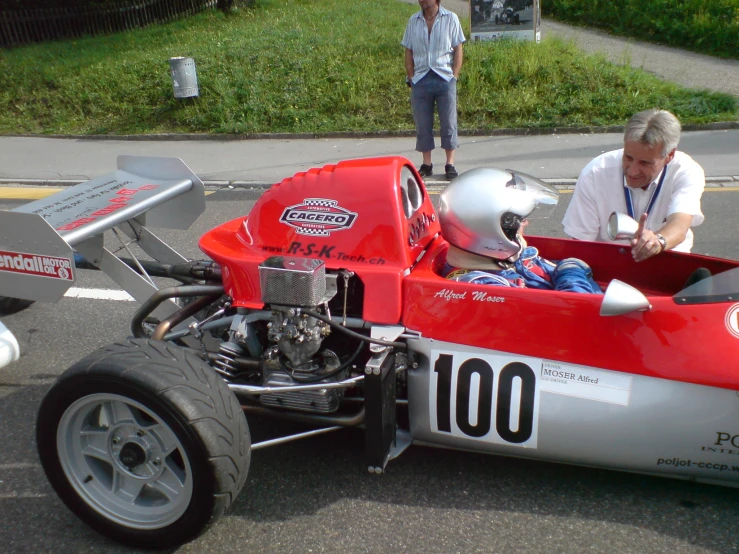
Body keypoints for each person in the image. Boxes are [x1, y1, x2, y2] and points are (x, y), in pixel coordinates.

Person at [562, 109, 705, 262]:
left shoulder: (686, 171)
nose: (633, 171)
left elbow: (679, 224)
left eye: (645, 163)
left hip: (666, 259)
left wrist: (657, 242)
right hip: (609, 262)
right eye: (628, 157)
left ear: (669, 156)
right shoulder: (596, 172)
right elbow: (580, 243)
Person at [439, 168, 602, 294]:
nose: (526, 223)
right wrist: (571, 272)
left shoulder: (505, 259)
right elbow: (576, 310)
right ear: (492, 228)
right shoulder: (481, 288)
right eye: (521, 220)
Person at [402, 0, 465, 181]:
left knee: (448, 122)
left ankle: (450, 163)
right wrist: (411, 76)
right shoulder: (413, 21)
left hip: (444, 77)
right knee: (423, 123)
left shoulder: (451, 18)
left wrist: (455, 75)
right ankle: (426, 164)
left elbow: (458, 47)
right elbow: (408, 50)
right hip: (421, 78)